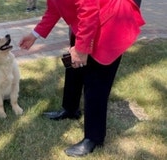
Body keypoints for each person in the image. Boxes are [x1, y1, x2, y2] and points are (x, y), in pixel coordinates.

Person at [19, 0, 144, 157]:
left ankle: (94, 138)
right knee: (74, 66)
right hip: (89, 19)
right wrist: (34, 35)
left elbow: (89, 9)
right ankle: (70, 110)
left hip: (111, 21)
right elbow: (54, 8)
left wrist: (82, 48)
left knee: (96, 81)